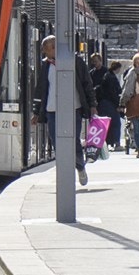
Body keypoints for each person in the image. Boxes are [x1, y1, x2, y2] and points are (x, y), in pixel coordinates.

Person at [40, 35, 92, 186]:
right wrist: (37, 112)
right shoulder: (45, 65)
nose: (44, 53)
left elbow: (87, 83)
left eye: (46, 49)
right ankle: (64, 173)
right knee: (56, 140)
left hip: (73, 107)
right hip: (52, 109)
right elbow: (42, 88)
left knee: (73, 140)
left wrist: (92, 105)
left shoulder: (76, 62)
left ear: (55, 48)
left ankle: (80, 167)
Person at [92, 57, 123, 155]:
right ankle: (116, 143)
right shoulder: (110, 76)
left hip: (101, 103)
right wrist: (118, 104)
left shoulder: (104, 74)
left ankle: (102, 143)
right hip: (109, 103)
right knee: (116, 123)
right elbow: (113, 92)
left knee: (103, 124)